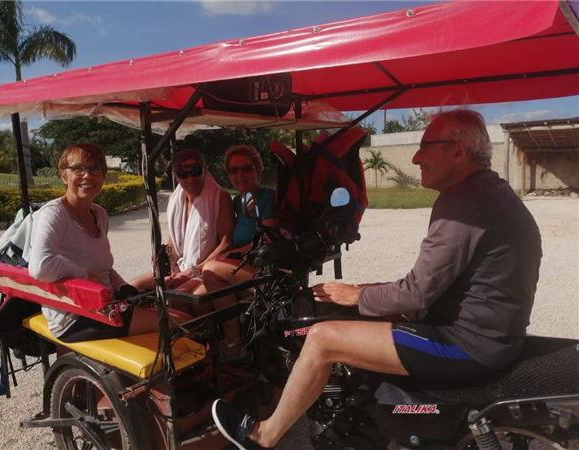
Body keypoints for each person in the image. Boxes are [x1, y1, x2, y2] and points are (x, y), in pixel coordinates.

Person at [211, 109, 543, 449]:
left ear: (457, 151)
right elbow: (436, 283)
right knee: (370, 307)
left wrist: (358, 296)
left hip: (467, 345)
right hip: (488, 334)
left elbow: (418, 292)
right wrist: (369, 293)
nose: (416, 157)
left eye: (426, 145)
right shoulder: (489, 191)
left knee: (324, 337)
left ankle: (263, 436)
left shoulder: (463, 201)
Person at [29, 143, 191, 343]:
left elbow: (104, 268)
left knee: (177, 312)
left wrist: (123, 287)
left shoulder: (99, 214)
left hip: (105, 303)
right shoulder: (54, 214)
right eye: (78, 168)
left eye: (95, 169)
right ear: (64, 175)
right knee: (180, 322)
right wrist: (85, 275)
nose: (87, 176)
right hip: (76, 315)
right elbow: (40, 267)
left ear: (103, 175)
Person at [201, 144, 275, 358]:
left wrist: (229, 256)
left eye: (246, 168)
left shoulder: (268, 196)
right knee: (193, 295)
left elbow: (267, 237)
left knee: (211, 271)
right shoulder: (237, 201)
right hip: (245, 267)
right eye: (234, 170)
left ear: (258, 171)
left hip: (266, 271)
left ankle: (234, 343)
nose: (239, 174)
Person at [129, 148, 234, 294]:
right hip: (182, 267)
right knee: (131, 287)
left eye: (196, 172)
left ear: (206, 170)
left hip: (205, 269)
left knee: (176, 296)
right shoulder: (175, 199)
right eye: (183, 174)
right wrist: (169, 264)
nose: (190, 179)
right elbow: (175, 239)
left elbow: (226, 244)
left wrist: (192, 272)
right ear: (175, 175)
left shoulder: (220, 197)